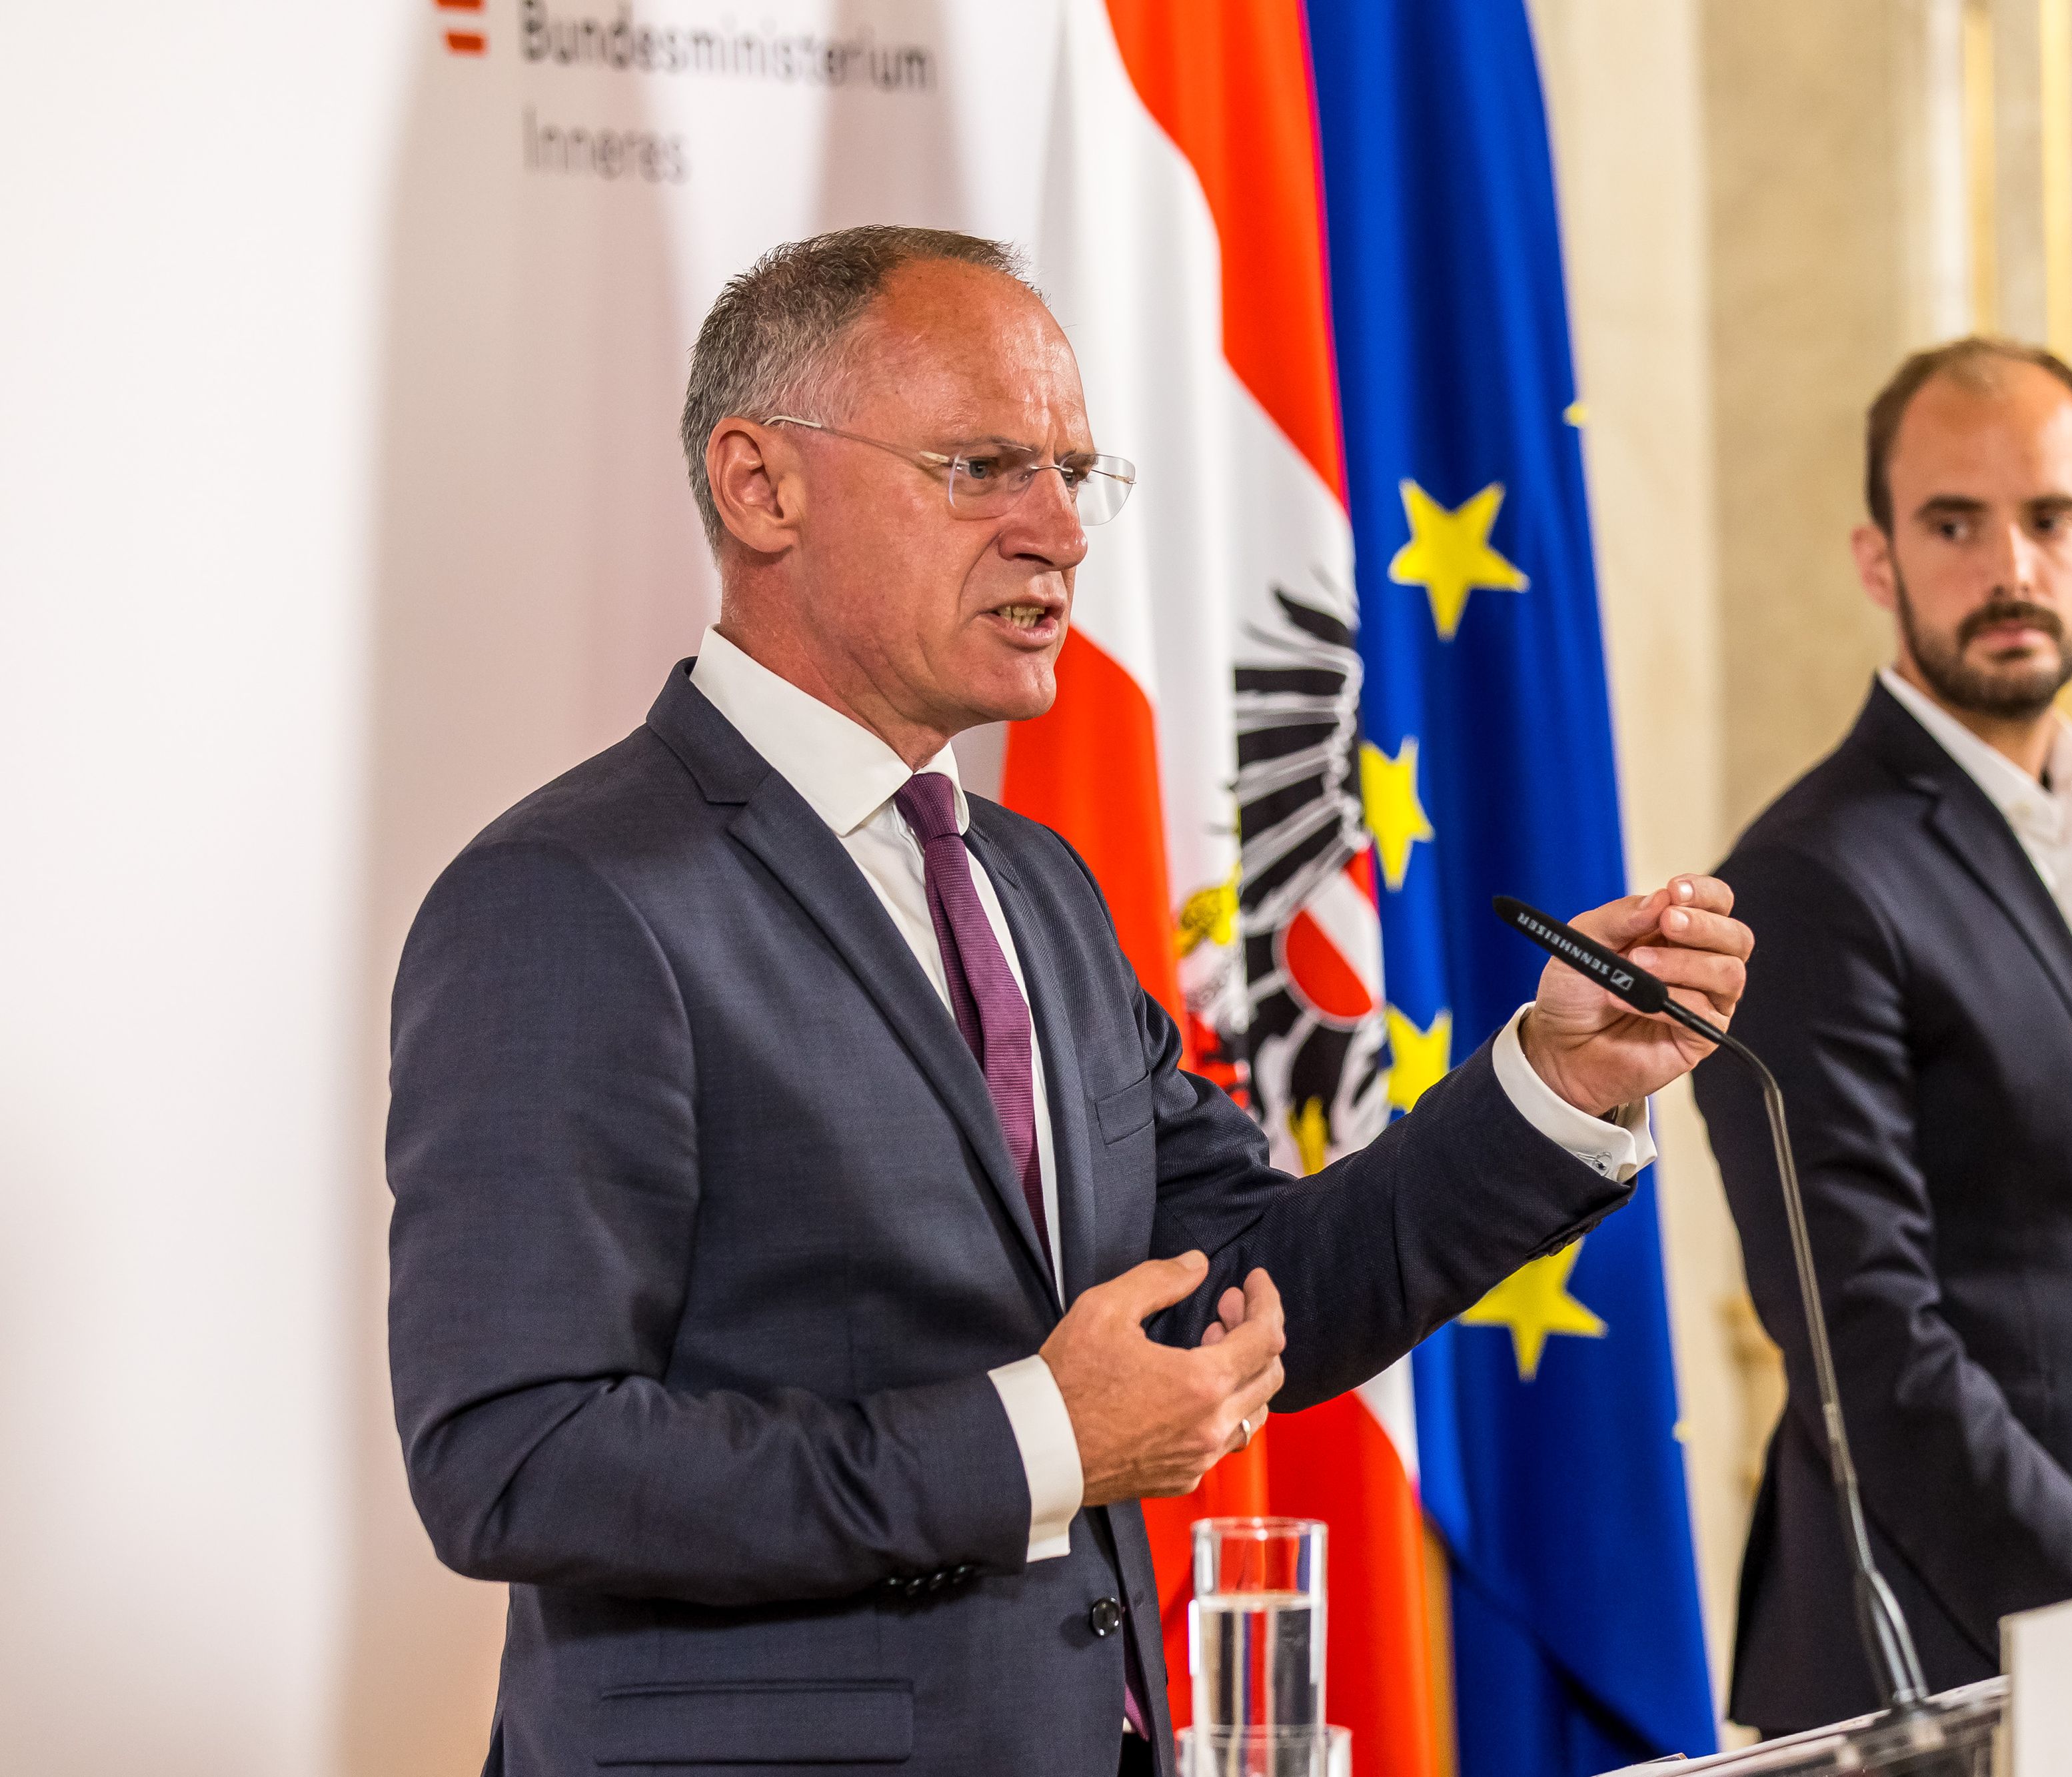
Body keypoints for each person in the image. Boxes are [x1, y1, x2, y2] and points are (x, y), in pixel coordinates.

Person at [383, 225, 1750, 1777]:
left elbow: (1247, 1283)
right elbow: (516, 1459)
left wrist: (1551, 1087)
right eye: (982, 467)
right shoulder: (573, 897)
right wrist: (1040, 1437)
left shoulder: (1033, 883)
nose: (1059, 532)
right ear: (759, 484)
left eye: (1073, 473)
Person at [1694, 338, 2072, 1735]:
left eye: (2048, 518)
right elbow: (1867, 1343)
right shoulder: (1808, 876)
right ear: (1875, 555)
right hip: (1951, 1653)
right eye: (1952, 523)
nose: (2009, 568)